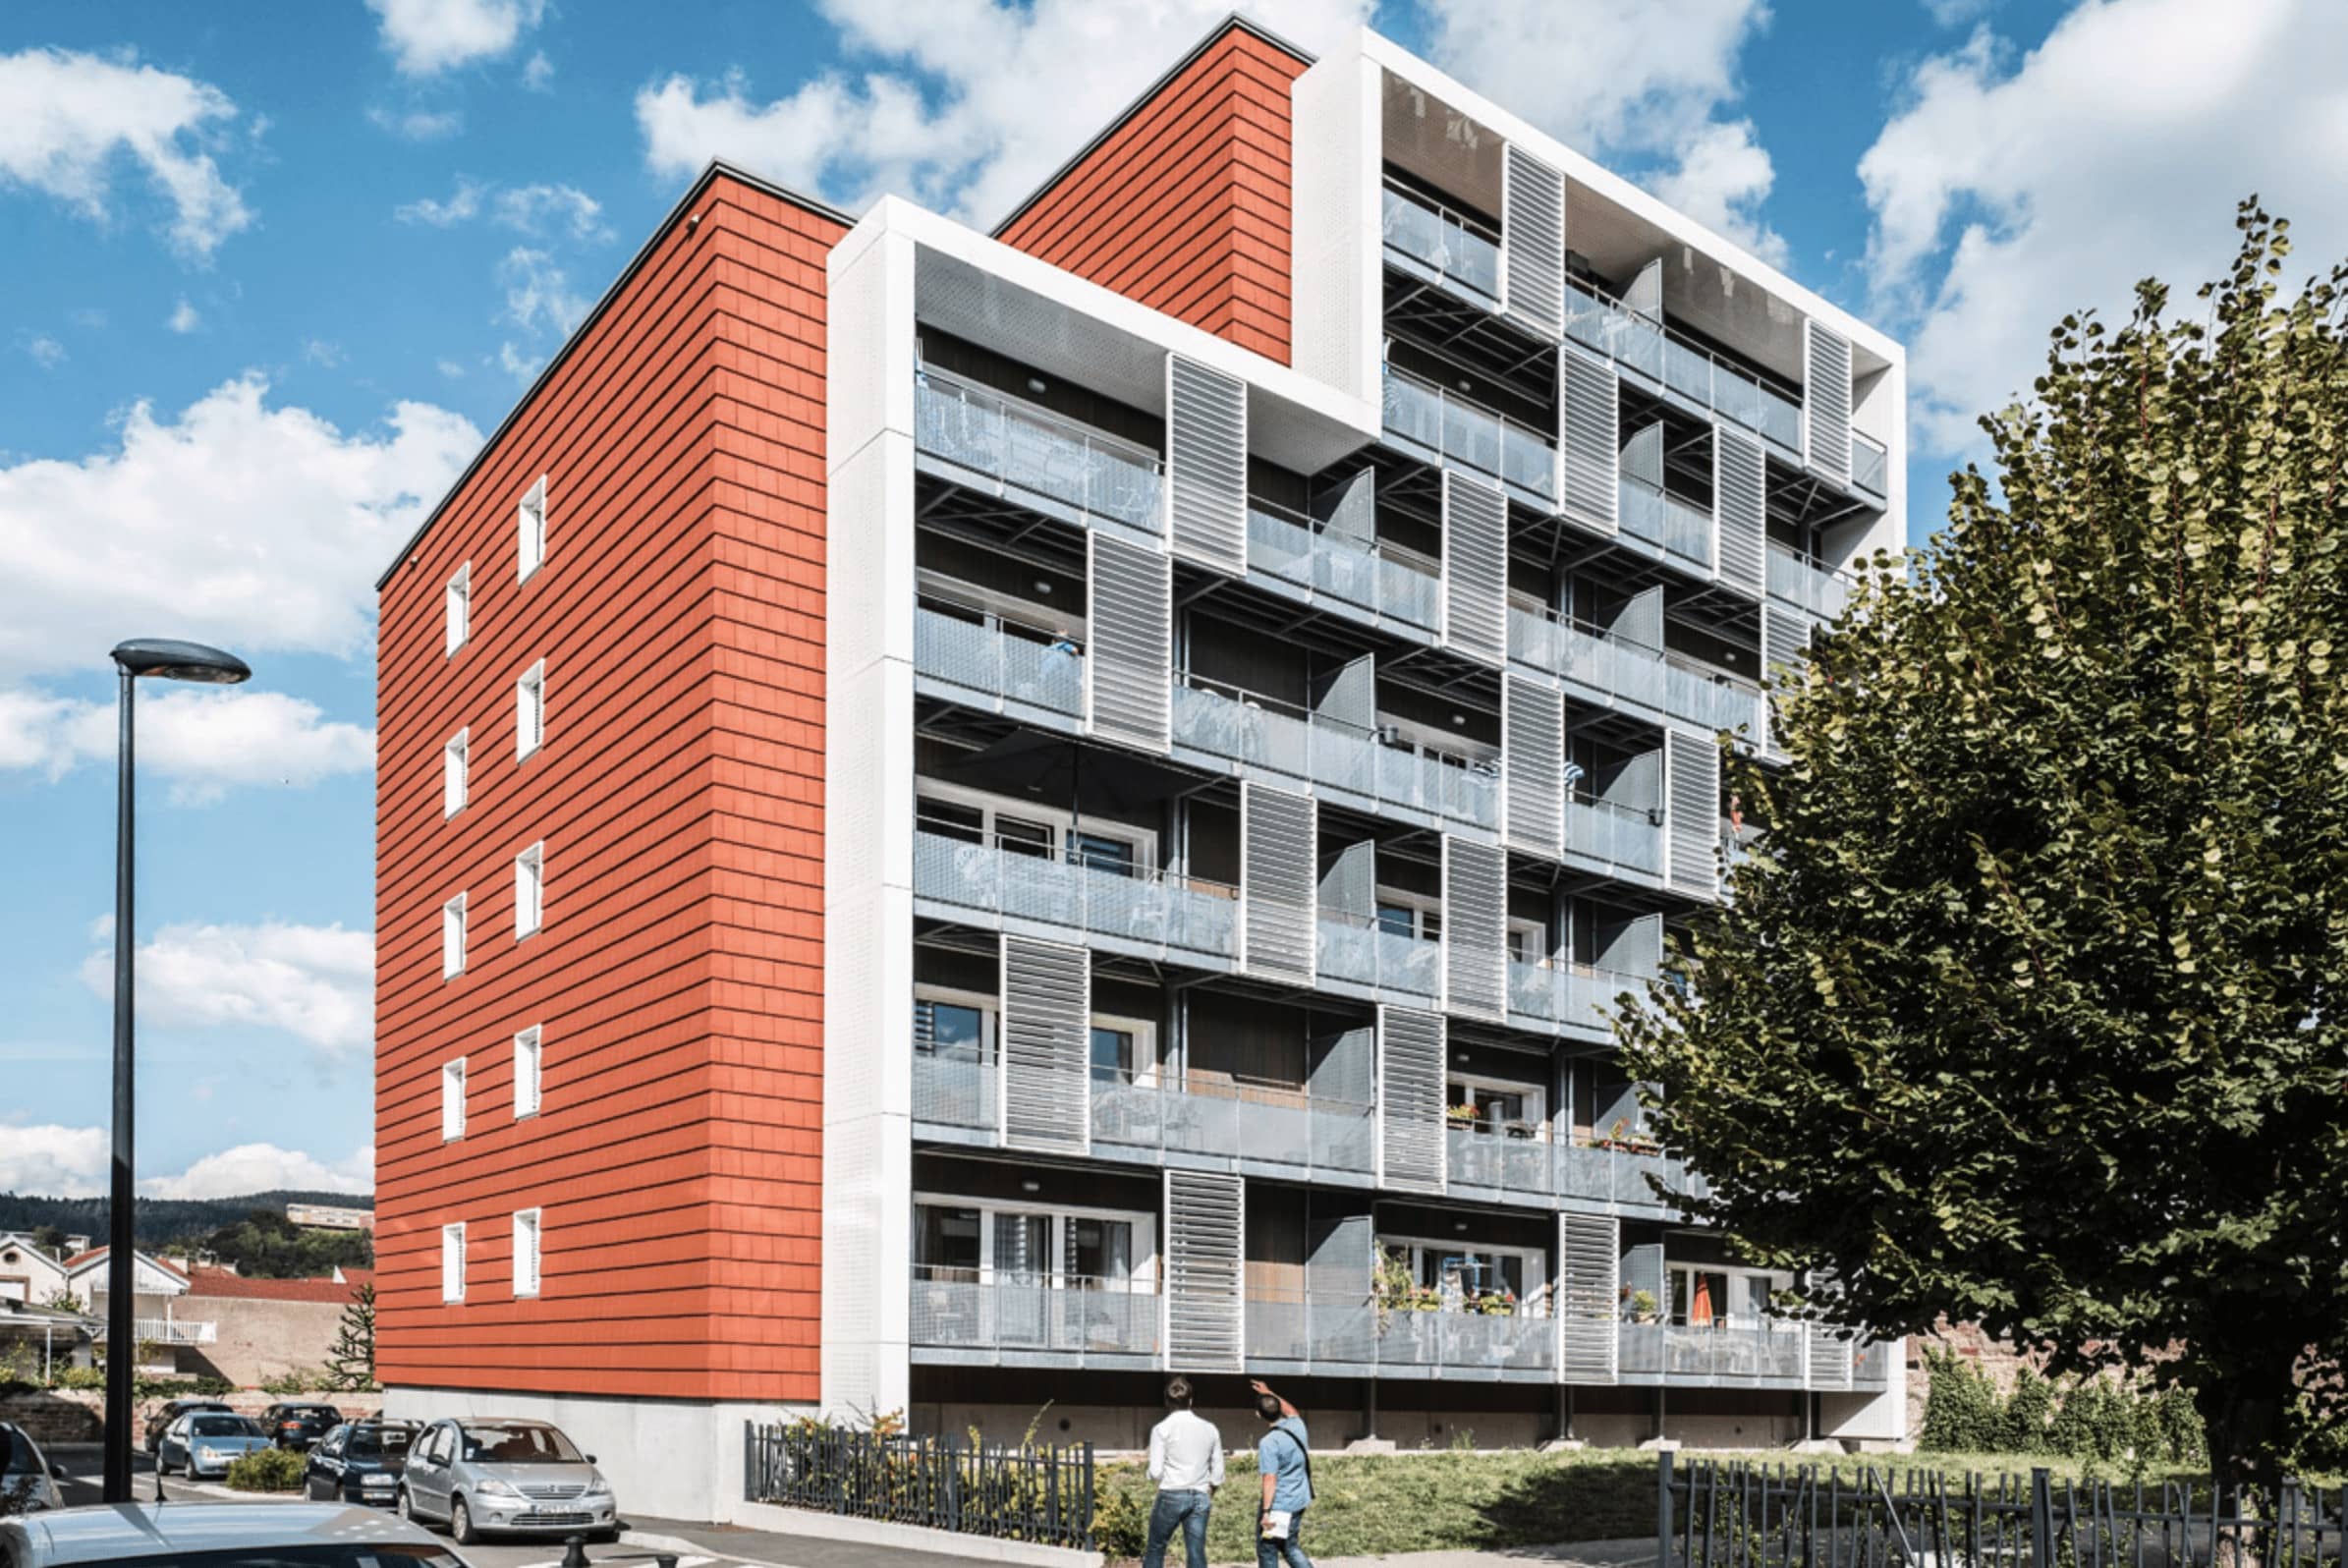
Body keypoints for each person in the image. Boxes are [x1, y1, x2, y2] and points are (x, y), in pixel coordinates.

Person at [1141, 1375, 1223, 1568]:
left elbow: (1156, 1471)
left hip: (1172, 1493)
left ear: (1166, 1401)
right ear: (1191, 1400)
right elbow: (1218, 1470)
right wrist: (1211, 1487)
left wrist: (1149, 1476)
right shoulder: (1210, 1428)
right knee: (1196, 1551)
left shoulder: (1161, 1429)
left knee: (1156, 1547)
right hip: (1201, 1494)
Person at [1250, 1377, 1314, 1568]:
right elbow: (1291, 1410)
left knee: (1267, 1548)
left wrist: (1266, 1512)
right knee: (1289, 1545)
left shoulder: (1269, 1442)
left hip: (1279, 1505)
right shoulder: (1297, 1426)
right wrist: (1269, 1393)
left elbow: (1270, 1478)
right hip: (1299, 1499)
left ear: (1258, 1415)